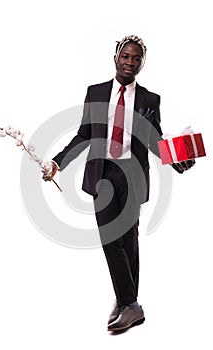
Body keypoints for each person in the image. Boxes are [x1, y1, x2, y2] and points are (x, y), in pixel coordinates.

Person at [42, 35, 195, 332]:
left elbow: (154, 140)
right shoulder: (96, 93)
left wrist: (178, 161)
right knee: (111, 238)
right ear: (115, 58)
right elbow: (85, 134)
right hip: (103, 174)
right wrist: (58, 163)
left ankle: (128, 302)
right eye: (126, 56)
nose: (130, 62)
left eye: (136, 58)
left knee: (129, 240)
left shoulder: (150, 100)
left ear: (142, 64)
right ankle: (130, 302)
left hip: (133, 174)